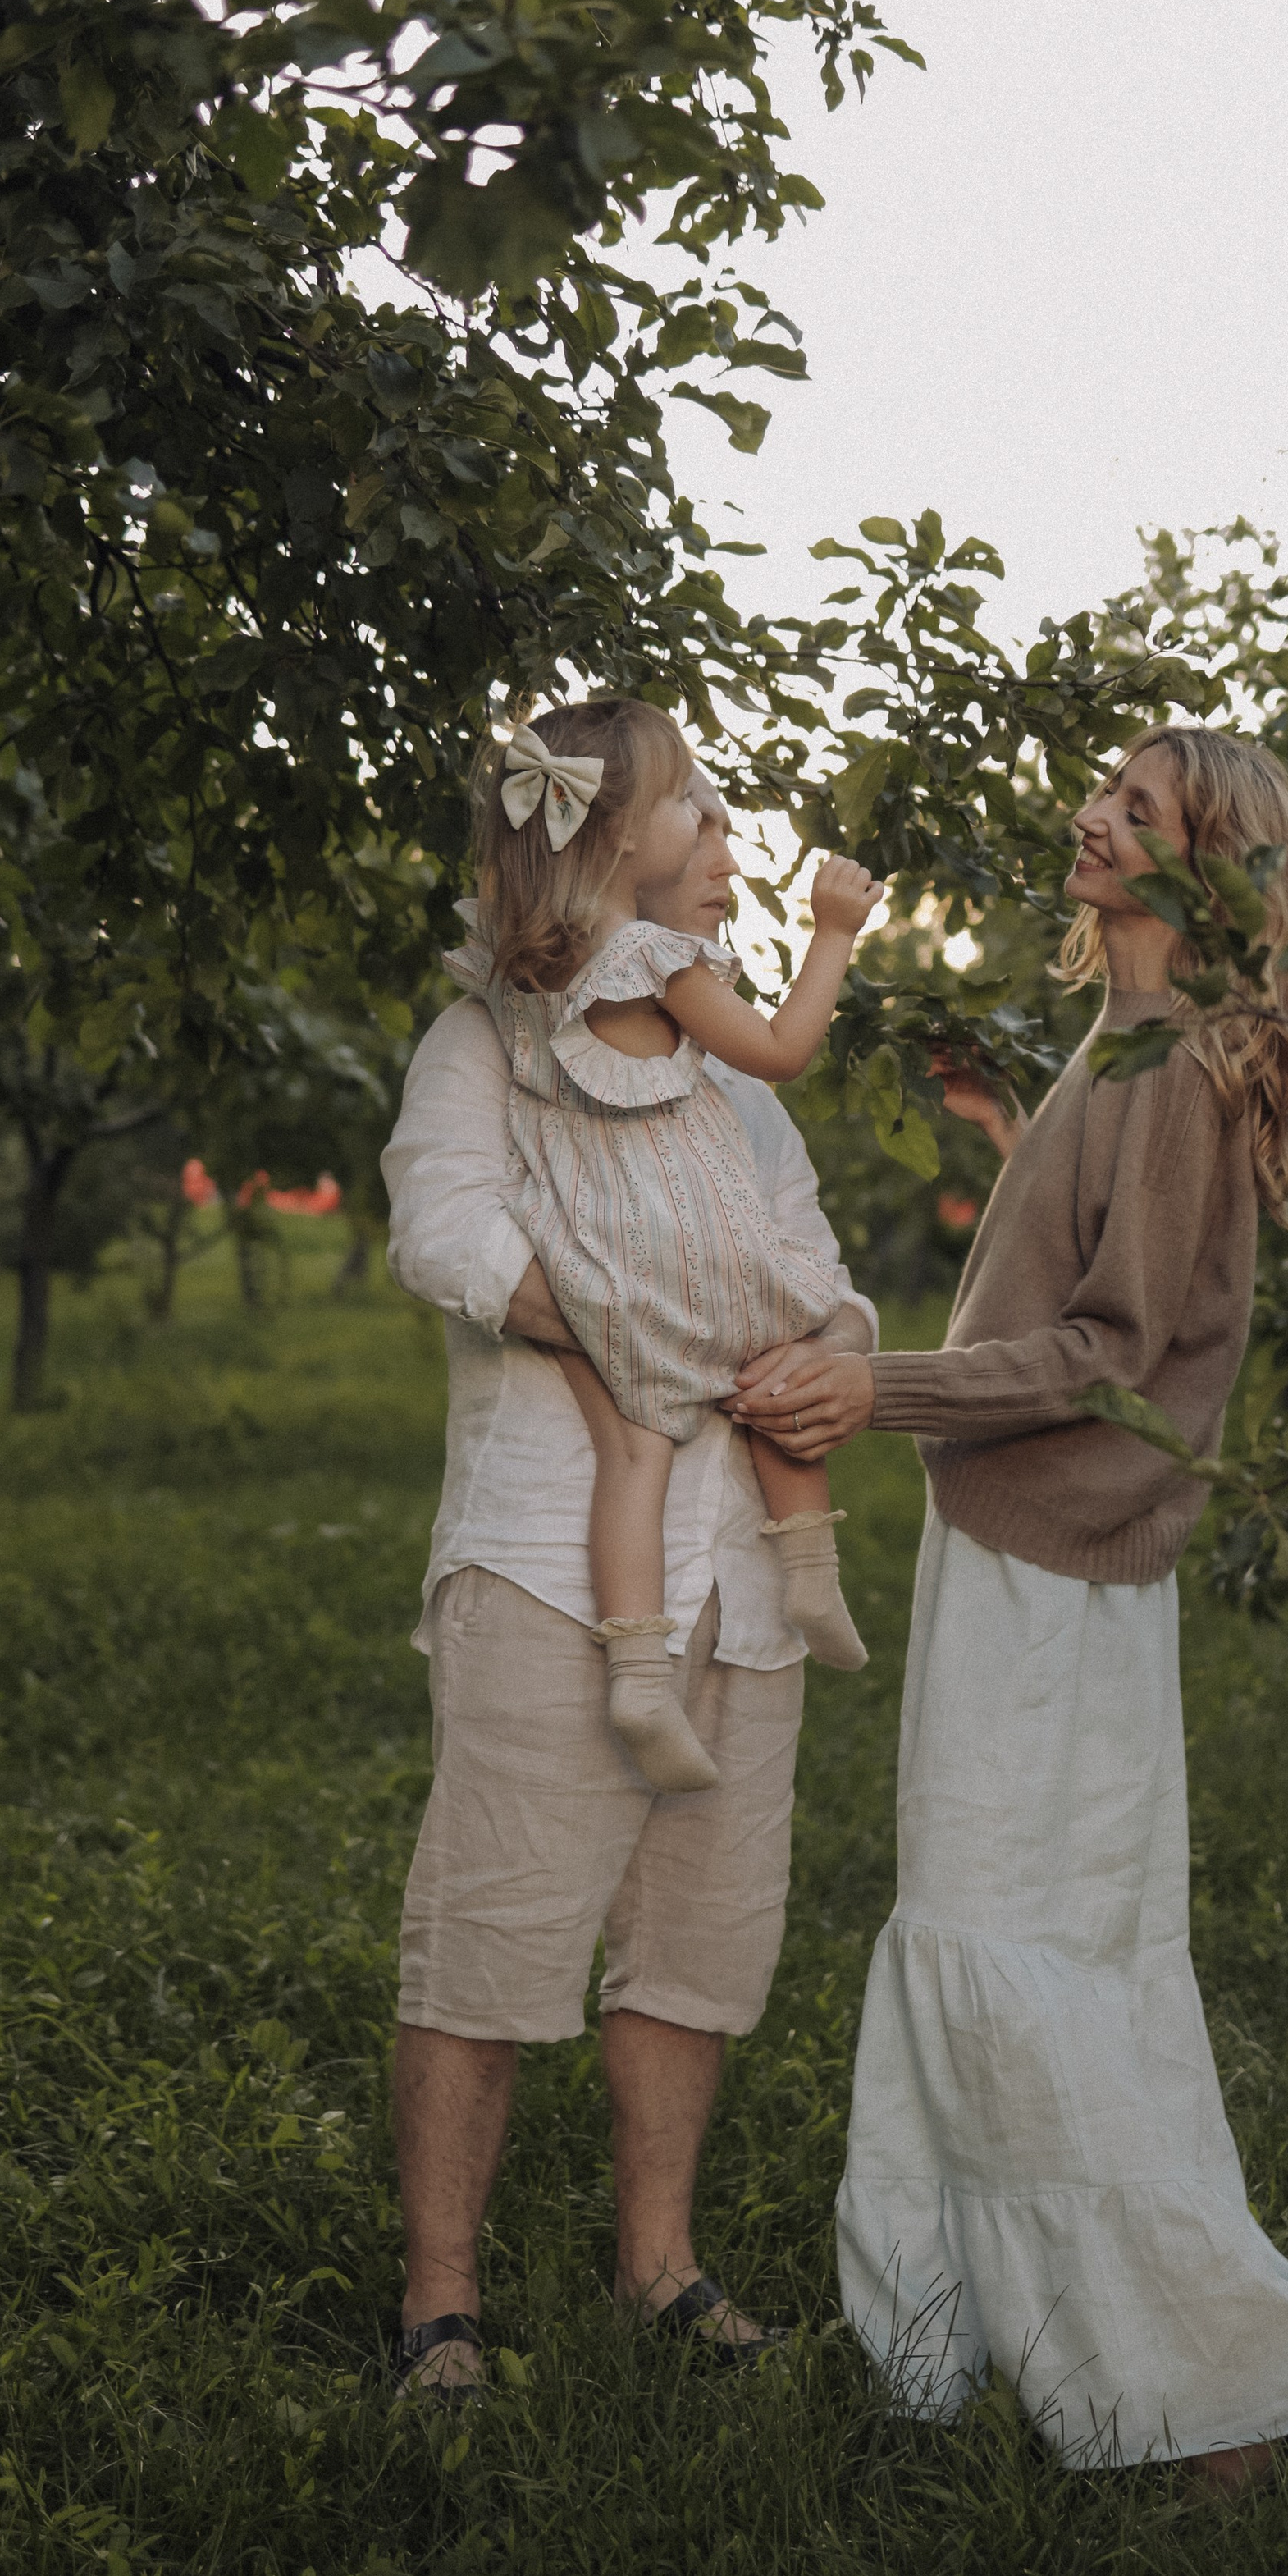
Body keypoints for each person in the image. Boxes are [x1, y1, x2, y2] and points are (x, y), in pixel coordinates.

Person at [729, 723, 1288, 2492]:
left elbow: (1107, 1351)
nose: (1089, 817)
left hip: (1053, 1558)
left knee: (1012, 1936)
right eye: (1100, 790)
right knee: (1021, 1929)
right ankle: (962, 2331)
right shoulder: (1124, 1045)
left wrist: (882, 1395)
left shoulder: (1163, 1070)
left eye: (1133, 809)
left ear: (1201, 870)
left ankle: (1189, 2389)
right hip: (1035, 1545)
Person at [379, 760, 879, 2403]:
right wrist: (638, 1324)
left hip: (742, 1577)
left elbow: (810, 1272)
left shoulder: (741, 1086)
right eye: (701, 811)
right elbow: (443, 1234)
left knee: (699, 1936)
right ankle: (440, 2302)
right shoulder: (484, 1049)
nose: (729, 844)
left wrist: (837, 1361)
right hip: (550, 1559)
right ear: (604, 847)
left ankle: (653, 2265)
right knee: (493, 1929)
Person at [453, 701, 883, 1792]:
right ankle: (811, 1570)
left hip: (586, 1250)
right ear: (620, 838)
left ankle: (636, 1679)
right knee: (777, 1340)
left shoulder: (517, 974)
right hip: (680, 1227)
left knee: (633, 1456)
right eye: (686, 803)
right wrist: (834, 933)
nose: (703, 822)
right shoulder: (654, 956)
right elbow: (782, 1051)